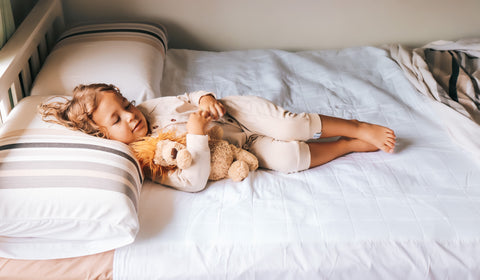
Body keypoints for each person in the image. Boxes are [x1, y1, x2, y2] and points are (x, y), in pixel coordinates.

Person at [39, 83, 396, 192]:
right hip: (241, 146)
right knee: (289, 160)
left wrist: (205, 100)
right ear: (103, 137)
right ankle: (344, 146)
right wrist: (195, 136)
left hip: (234, 113)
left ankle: (354, 127)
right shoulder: (148, 161)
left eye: (126, 105)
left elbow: (190, 97)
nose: (132, 115)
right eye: (116, 119)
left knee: (290, 126)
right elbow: (192, 182)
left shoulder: (149, 108)